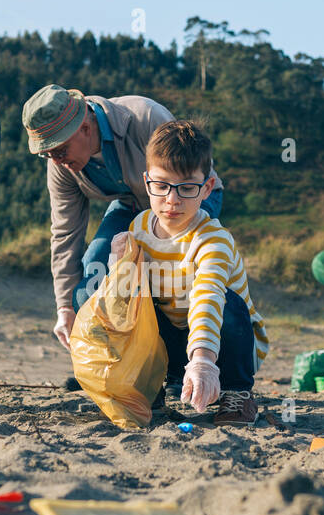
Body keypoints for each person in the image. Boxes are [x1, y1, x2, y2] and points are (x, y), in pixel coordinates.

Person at [21, 85, 226, 352]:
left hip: (186, 197)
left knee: (168, 281)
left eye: (59, 151)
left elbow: (185, 180)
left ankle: (181, 362)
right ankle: (130, 367)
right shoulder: (59, 165)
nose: (55, 161)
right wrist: (64, 307)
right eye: (46, 154)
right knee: (90, 286)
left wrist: (158, 244)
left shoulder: (145, 117)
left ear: (84, 127)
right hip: (130, 205)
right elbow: (65, 232)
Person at [105, 120, 268, 425]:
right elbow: (126, 303)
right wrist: (120, 267)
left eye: (187, 188)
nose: (172, 199)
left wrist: (204, 360)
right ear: (146, 181)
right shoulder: (138, 228)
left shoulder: (212, 239)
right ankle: (151, 390)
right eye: (162, 185)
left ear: (206, 188)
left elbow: (207, 297)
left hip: (224, 344)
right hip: (175, 346)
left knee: (228, 302)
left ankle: (237, 393)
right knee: (141, 300)